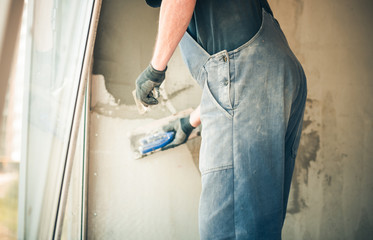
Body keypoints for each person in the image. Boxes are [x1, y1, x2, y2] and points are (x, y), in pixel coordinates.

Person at [135, 0, 307, 239]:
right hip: (276, 75)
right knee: (256, 222)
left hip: (249, 76)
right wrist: (191, 122)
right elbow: (240, 80)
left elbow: (237, 74)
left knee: (230, 230)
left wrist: (155, 69)